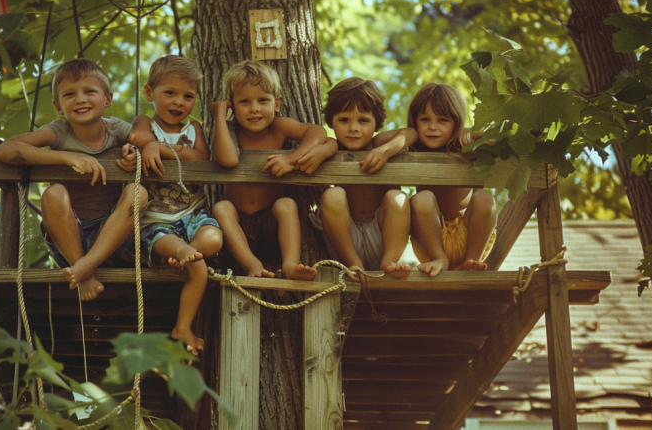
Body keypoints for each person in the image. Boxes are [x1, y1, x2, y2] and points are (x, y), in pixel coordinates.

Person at [0, 58, 145, 301]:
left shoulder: (116, 130)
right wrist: (65, 157)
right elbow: (5, 150)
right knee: (53, 193)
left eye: (90, 91)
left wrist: (136, 153)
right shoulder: (58, 132)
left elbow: (147, 140)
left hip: (115, 240)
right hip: (70, 242)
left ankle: (85, 267)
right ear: (58, 106)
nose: (80, 99)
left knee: (139, 192)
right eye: (70, 94)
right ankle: (83, 272)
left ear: (107, 99)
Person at [125, 55, 222, 356]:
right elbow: (137, 136)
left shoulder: (193, 128)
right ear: (149, 93)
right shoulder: (147, 122)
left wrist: (166, 148)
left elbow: (201, 157)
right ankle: (183, 322)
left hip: (193, 212)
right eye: (170, 93)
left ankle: (185, 254)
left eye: (188, 96)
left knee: (214, 239)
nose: (179, 102)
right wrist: (151, 143)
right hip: (156, 217)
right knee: (194, 262)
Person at [209, 60, 331, 281]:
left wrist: (291, 159)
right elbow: (227, 160)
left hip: (272, 224)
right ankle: (251, 263)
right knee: (222, 207)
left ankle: (290, 264)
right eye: (244, 102)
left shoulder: (280, 127)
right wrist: (219, 117)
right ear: (232, 106)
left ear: (277, 103)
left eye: (263, 100)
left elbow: (318, 132)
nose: (254, 108)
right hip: (237, 228)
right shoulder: (229, 131)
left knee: (287, 204)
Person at [304, 78, 417, 278]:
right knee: (333, 195)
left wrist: (386, 151)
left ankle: (390, 262)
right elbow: (328, 143)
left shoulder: (379, 144)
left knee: (397, 197)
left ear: (376, 123)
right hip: (344, 241)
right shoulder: (333, 147)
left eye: (363, 120)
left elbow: (409, 133)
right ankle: (353, 264)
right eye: (344, 120)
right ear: (331, 121)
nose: (353, 128)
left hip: (382, 234)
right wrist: (324, 150)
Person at [407, 83, 497, 276]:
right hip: (430, 239)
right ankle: (440, 258)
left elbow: (497, 138)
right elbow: (383, 140)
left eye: (442, 120)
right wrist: (408, 136)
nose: (432, 127)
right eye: (424, 119)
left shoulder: (464, 146)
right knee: (421, 199)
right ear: (414, 123)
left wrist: (466, 135)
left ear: (457, 124)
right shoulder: (413, 150)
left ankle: (470, 262)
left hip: (470, 236)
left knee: (484, 198)